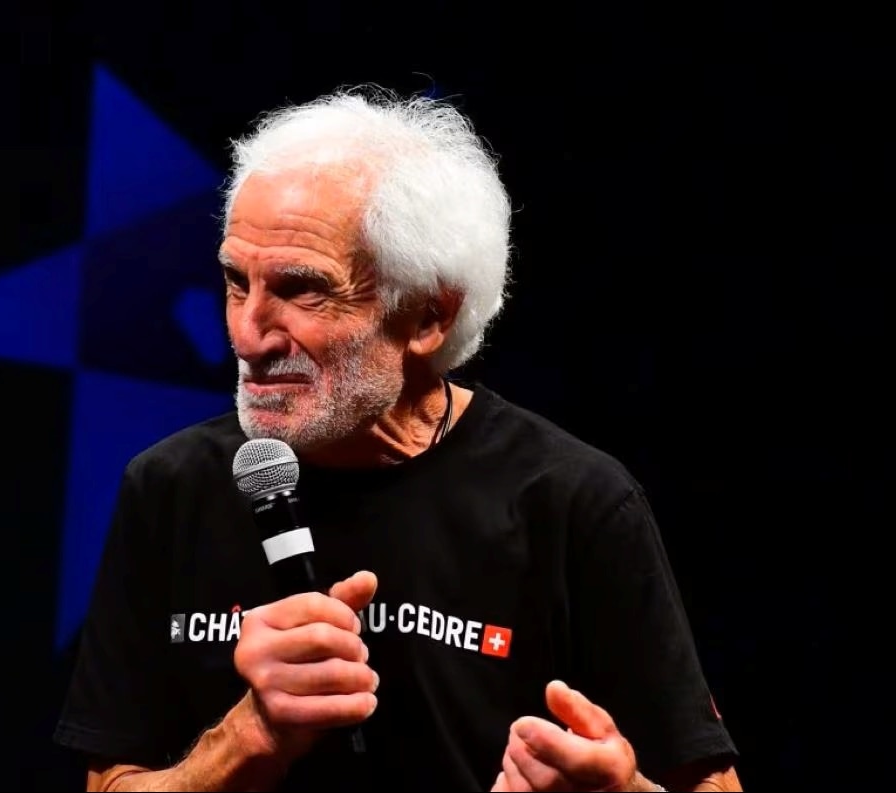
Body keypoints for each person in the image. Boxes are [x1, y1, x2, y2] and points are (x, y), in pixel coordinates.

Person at [53, 85, 742, 792]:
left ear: (428, 318)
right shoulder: (169, 488)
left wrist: (622, 791)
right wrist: (249, 736)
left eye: (302, 289)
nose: (247, 335)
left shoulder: (574, 502)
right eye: (236, 280)